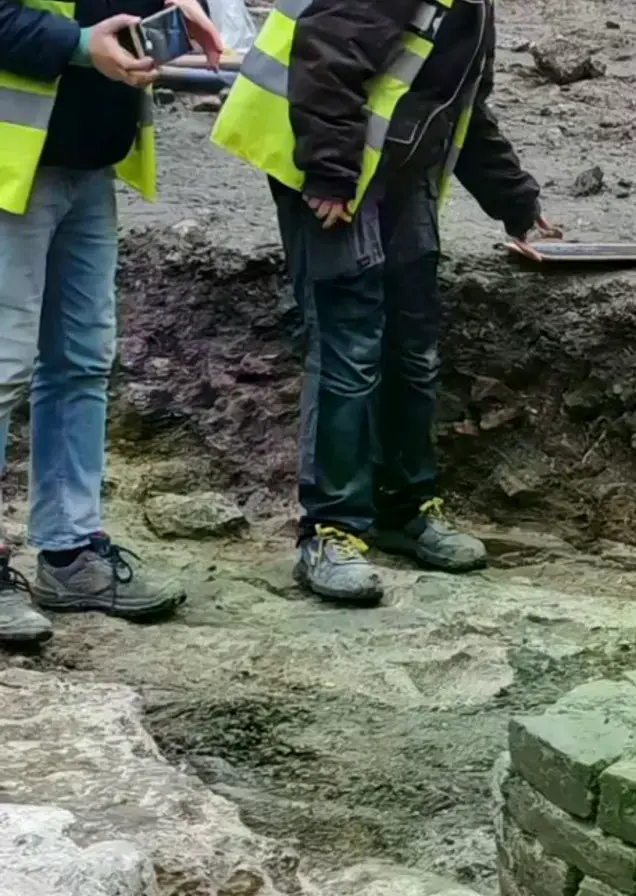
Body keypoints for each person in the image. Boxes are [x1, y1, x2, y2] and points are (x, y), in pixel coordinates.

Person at [210, 0, 551, 606]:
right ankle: (330, 530)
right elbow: (327, 51)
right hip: (322, 155)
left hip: (388, 163)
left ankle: (404, 506)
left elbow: (456, 104)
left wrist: (514, 199)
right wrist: (329, 173)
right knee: (349, 341)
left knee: (412, 343)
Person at [0, 0, 221, 646]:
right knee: (4, 366)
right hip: (11, 166)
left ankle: (70, 552)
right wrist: (77, 45)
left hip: (88, 163)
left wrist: (175, 8)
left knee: (81, 361)